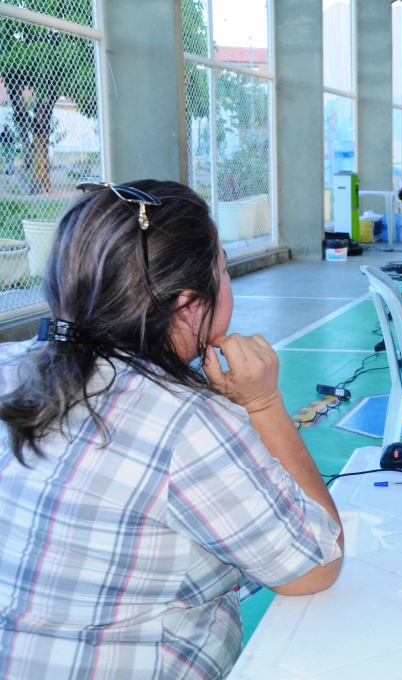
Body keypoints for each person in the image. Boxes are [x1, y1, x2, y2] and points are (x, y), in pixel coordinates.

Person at [0, 181, 344, 679]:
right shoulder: (183, 421)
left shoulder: (10, 366)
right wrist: (264, 403)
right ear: (189, 305)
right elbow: (315, 565)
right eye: (223, 270)